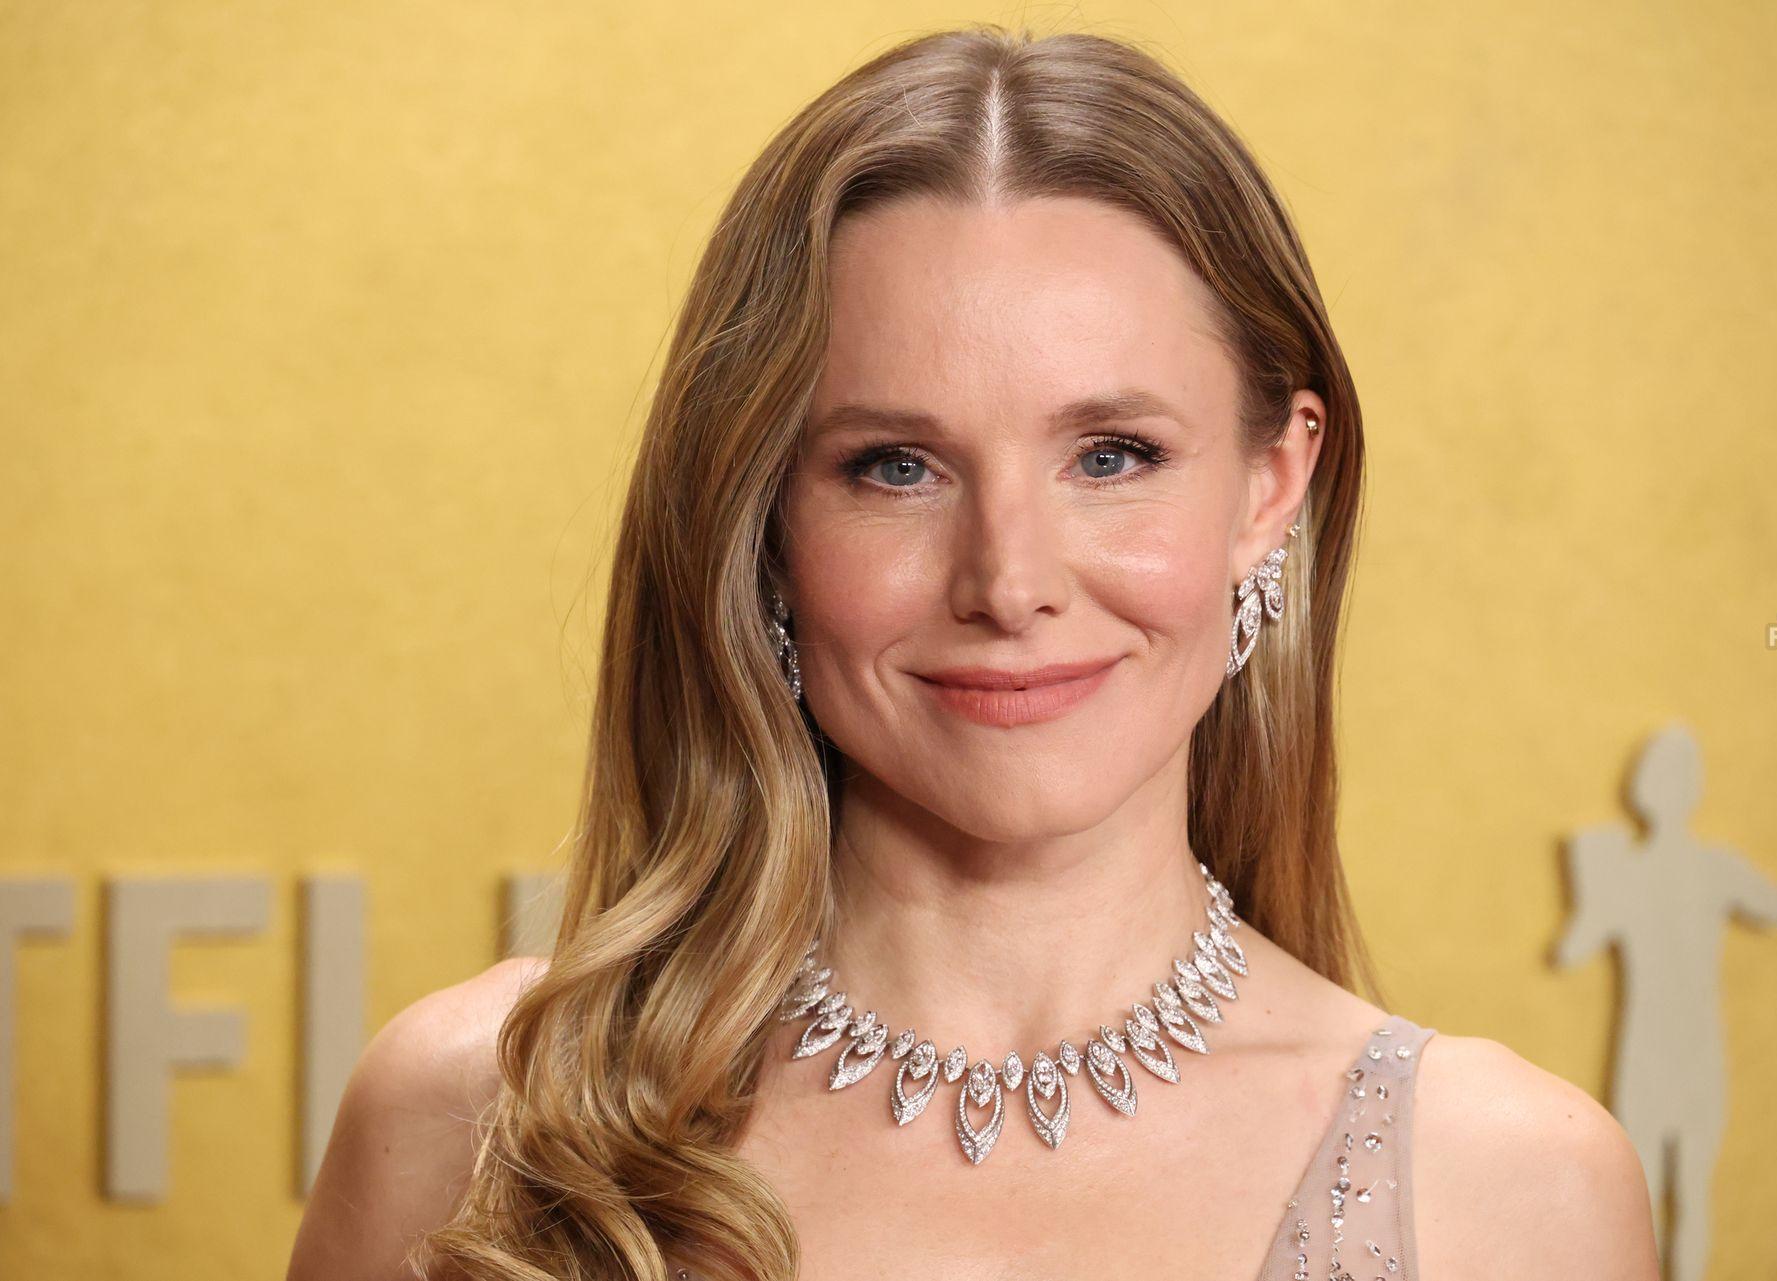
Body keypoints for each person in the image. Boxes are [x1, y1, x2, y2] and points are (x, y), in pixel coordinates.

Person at [287, 22, 1659, 1281]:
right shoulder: (474, 1122)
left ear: (1270, 488)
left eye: (1112, 456)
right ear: (762, 524)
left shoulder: (1511, 1192)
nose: (1009, 582)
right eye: (897, 465)